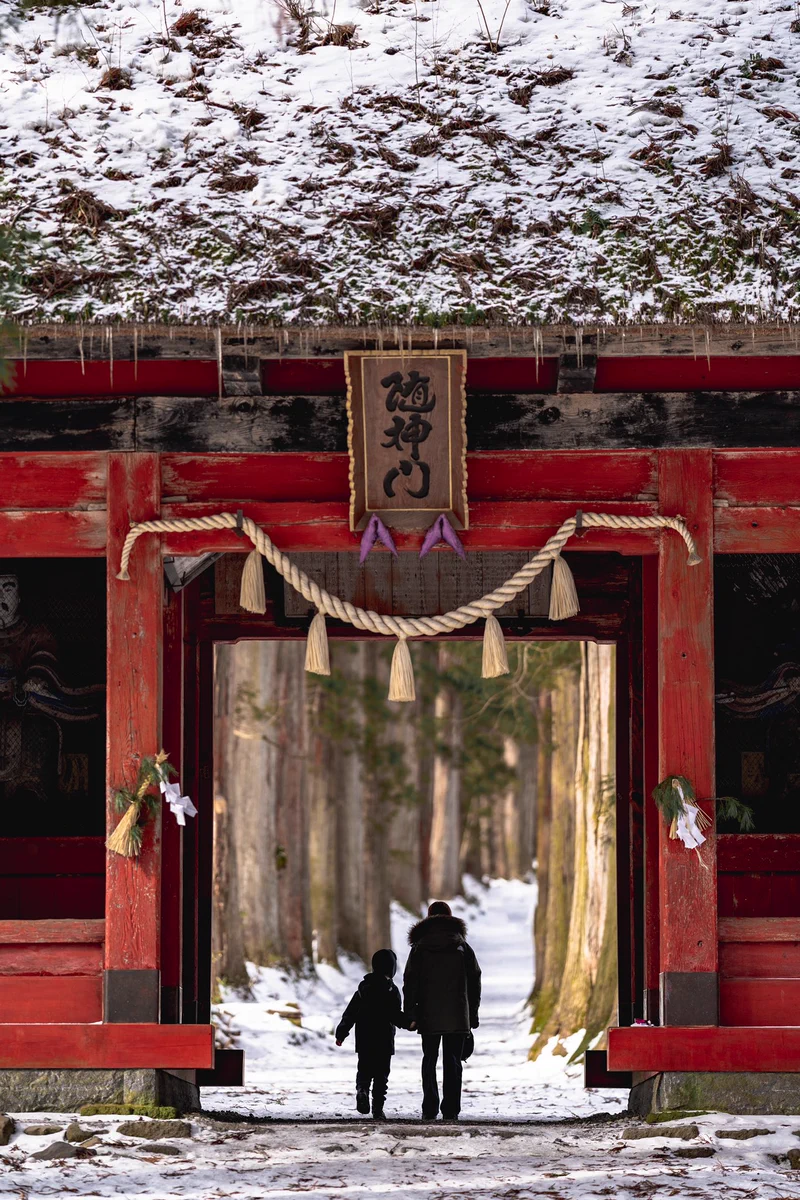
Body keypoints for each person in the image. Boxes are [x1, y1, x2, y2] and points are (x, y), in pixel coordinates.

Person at [403, 900, 481, 1123]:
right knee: (453, 1061)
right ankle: (451, 1109)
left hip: (428, 1014)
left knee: (429, 1060)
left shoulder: (419, 948)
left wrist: (411, 1014)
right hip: (458, 1014)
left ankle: (429, 1108)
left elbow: (410, 981)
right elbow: (475, 980)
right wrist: (472, 1013)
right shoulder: (462, 947)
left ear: (428, 919)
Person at [335, 948, 405, 1120]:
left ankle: (362, 1090)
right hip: (384, 1040)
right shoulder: (391, 991)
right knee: (381, 1076)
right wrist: (409, 1023)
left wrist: (341, 1033)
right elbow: (395, 1014)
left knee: (364, 1070)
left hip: (365, 1039)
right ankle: (377, 1109)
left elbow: (350, 1013)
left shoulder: (363, 989)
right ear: (392, 968)